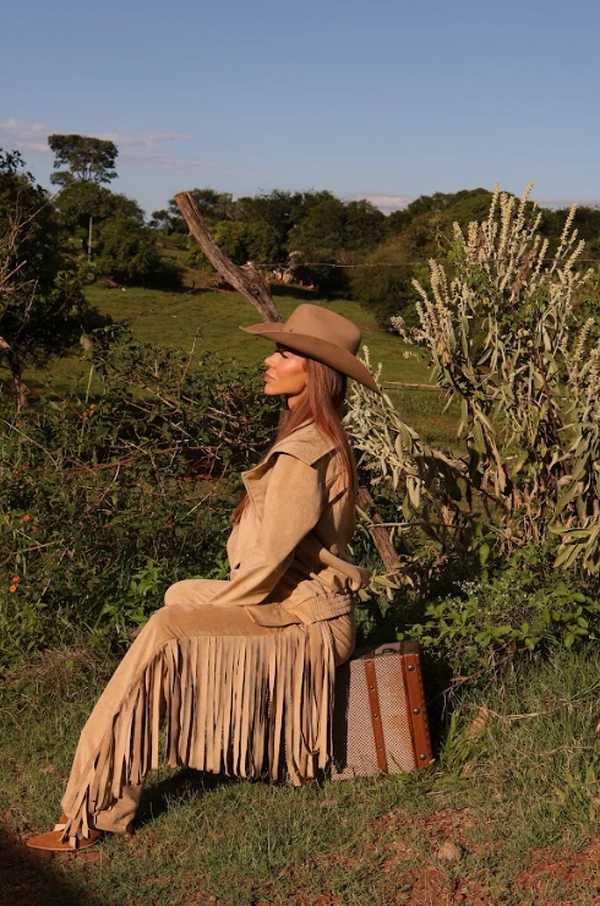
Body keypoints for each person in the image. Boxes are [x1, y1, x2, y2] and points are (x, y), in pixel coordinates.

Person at [27, 303, 378, 852]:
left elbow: (265, 565)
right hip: (302, 603)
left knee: (168, 629)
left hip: (309, 625)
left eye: (283, 353)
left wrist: (193, 622)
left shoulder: (303, 452)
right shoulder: (315, 436)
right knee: (180, 595)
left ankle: (92, 809)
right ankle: (228, 741)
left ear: (314, 372)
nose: (269, 361)